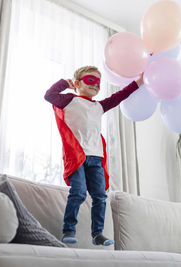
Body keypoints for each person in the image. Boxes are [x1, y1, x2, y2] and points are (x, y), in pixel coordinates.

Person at [44, 65, 143, 246]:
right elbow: (49, 96)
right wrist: (65, 83)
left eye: (98, 82)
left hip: (96, 158)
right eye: (91, 80)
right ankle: (68, 230)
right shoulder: (69, 101)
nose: (95, 85)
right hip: (77, 157)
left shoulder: (99, 106)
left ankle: (97, 233)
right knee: (79, 192)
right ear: (77, 83)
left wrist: (139, 82)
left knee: (100, 196)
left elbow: (119, 96)